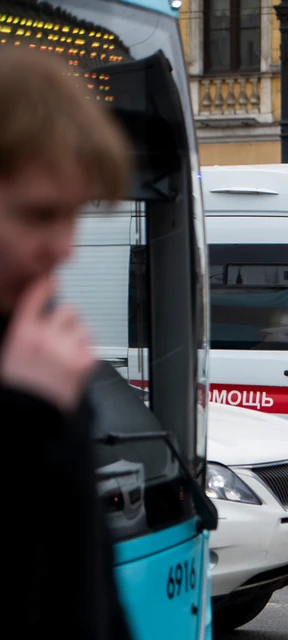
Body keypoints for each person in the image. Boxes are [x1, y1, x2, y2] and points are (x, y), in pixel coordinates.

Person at [0, 48, 133, 639]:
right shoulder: (27, 389)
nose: (65, 247)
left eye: (74, 215)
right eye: (38, 215)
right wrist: (24, 420)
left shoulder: (36, 350)